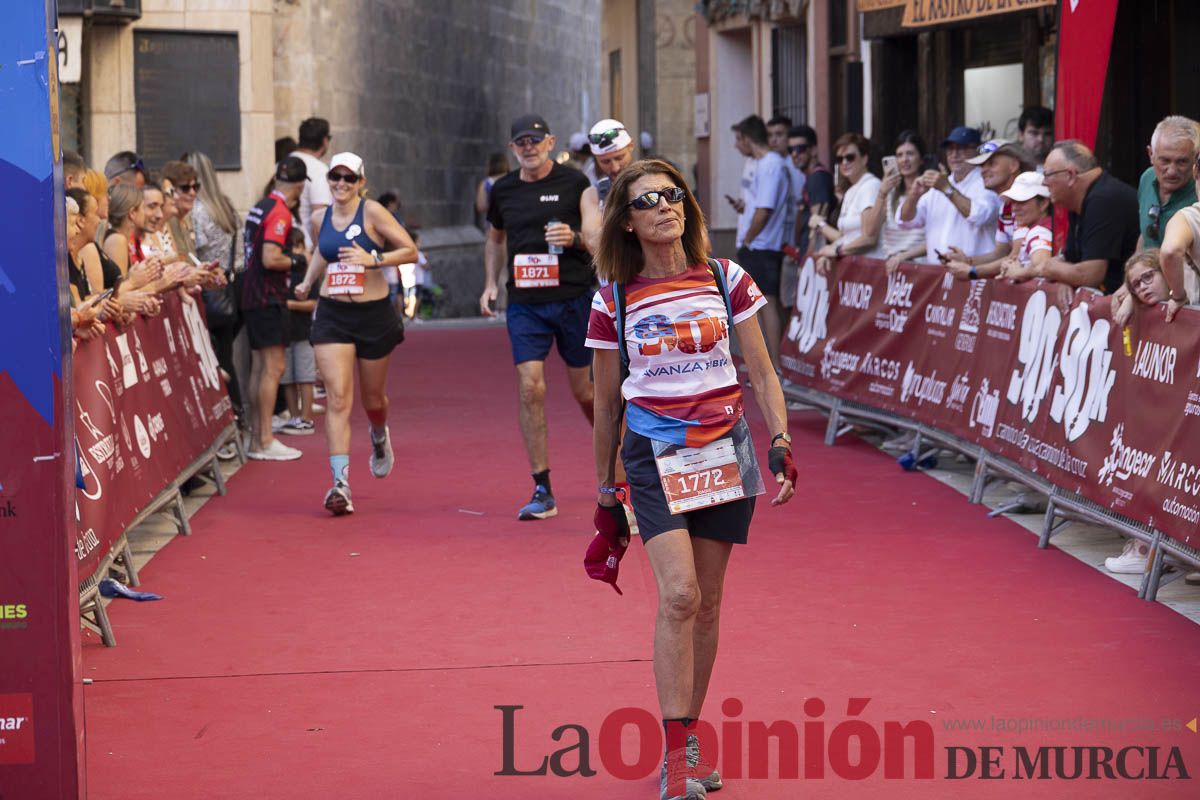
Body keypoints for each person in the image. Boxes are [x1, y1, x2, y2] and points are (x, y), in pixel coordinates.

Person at [586, 159, 797, 799]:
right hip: (653, 455)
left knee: (707, 605)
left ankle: (689, 736)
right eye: (648, 200)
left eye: (672, 195)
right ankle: (676, 764)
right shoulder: (612, 297)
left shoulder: (724, 277)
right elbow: (605, 405)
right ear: (627, 220)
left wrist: (781, 439)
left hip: (726, 452)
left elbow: (761, 372)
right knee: (679, 597)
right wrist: (606, 487)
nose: (664, 207)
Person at [479, 113, 595, 520]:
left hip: (573, 298)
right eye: (520, 142)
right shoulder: (504, 190)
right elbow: (495, 239)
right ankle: (542, 487)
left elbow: (596, 237)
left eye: (535, 140)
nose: (528, 147)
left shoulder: (575, 182)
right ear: (513, 149)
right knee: (531, 387)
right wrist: (491, 283)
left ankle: (615, 460)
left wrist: (575, 238)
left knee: (585, 392)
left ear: (550, 142)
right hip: (525, 303)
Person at [295, 152, 417, 514]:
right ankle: (340, 483)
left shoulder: (373, 212)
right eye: (336, 177)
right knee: (337, 398)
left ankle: (379, 434)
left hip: (373, 314)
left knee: (373, 400)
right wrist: (306, 282)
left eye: (349, 178)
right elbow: (322, 251)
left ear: (361, 182)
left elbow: (410, 250)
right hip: (333, 313)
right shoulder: (321, 217)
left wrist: (374, 260)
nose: (341, 184)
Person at [1103, 251, 1172, 575]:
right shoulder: (1147, 311)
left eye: (1149, 277)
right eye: (1135, 285)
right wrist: (1131, 299)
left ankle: (1152, 548)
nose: (1143, 288)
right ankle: (1148, 544)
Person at [242, 156, 309, 463]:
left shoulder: (261, 205)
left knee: (260, 367)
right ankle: (265, 439)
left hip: (252, 294)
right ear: (299, 186)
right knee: (273, 367)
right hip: (268, 296)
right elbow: (271, 258)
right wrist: (296, 260)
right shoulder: (280, 212)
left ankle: (257, 437)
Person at [729, 114, 792, 371]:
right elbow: (757, 204)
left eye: (738, 140)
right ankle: (765, 361)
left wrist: (748, 239)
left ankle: (776, 364)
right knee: (756, 304)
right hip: (756, 244)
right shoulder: (759, 164)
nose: (736, 146)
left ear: (747, 139)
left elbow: (765, 210)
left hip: (764, 246)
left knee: (767, 301)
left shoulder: (771, 165)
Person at [1039, 140, 1139, 293]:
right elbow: (1070, 260)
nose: (1044, 183)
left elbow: (1091, 274)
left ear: (1071, 175)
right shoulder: (1079, 199)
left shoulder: (1103, 198)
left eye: (1047, 175)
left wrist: (1052, 269)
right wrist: (1065, 278)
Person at [897, 126, 1002, 265]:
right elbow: (905, 222)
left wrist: (947, 189)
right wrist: (913, 196)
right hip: (938, 277)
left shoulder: (986, 181)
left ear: (977, 152)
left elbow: (979, 216)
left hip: (974, 277)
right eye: (950, 149)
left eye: (962, 148)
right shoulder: (940, 185)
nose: (954, 154)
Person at [943, 140, 1034, 279]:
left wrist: (972, 271)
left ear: (1013, 165)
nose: (983, 170)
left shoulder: (1027, 198)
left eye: (991, 164)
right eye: (982, 165)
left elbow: (1016, 257)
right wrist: (967, 261)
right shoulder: (1005, 204)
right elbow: (1000, 252)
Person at [813, 132, 884, 271]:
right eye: (840, 159)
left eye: (850, 157)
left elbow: (869, 238)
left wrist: (837, 251)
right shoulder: (851, 190)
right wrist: (829, 251)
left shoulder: (870, 185)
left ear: (864, 159)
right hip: (854, 271)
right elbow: (846, 237)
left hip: (871, 270)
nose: (844, 163)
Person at [861, 130, 928, 273]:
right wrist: (882, 193)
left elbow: (937, 239)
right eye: (899, 155)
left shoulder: (930, 193)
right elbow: (870, 231)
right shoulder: (890, 193)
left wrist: (904, 256)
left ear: (921, 159)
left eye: (910, 154)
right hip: (892, 269)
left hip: (922, 270)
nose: (904, 160)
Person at [783, 124, 834, 306]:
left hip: (816, 262)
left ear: (813, 150)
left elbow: (818, 225)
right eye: (790, 150)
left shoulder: (817, 178)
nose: (795, 154)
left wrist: (808, 260)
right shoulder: (810, 177)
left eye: (800, 149)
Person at [279, 227, 317, 436]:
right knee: (288, 378)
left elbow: (312, 303)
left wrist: (289, 305)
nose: (292, 252)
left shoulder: (306, 273)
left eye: (295, 247)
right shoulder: (279, 273)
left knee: (305, 376)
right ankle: (294, 416)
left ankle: (306, 416)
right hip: (284, 333)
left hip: (303, 332)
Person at [581, 118, 637, 254]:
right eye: (605, 161)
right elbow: (593, 243)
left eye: (619, 157)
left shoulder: (655, 182)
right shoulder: (593, 194)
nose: (615, 167)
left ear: (631, 146)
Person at [990, 172, 1055, 280]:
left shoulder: (1040, 232)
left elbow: (1041, 265)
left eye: (1022, 202)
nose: (1014, 208)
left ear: (1044, 203)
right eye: (1013, 202)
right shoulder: (1039, 229)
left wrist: (1017, 272)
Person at [291, 117, 335, 251]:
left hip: (283, 242)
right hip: (305, 248)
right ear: (325, 141)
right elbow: (320, 214)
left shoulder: (282, 163)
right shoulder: (318, 170)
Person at [475, 152, 511, 231]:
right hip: (512, 222)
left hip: (493, 224)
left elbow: (481, 206)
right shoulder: (512, 180)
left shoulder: (486, 183)